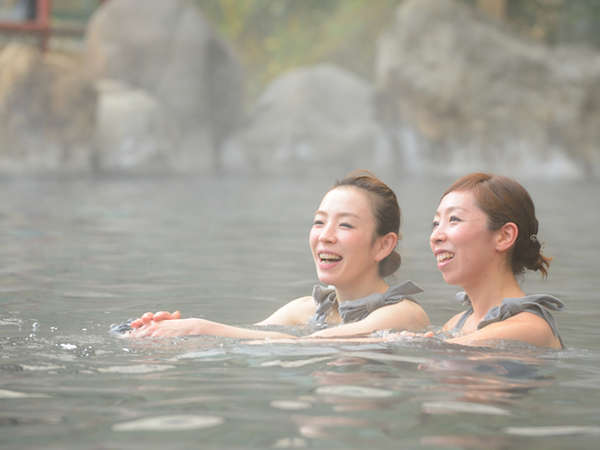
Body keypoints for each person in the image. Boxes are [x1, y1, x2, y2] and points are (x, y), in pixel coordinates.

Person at [122, 171, 430, 339]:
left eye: (345, 224)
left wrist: (201, 326)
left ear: (383, 245)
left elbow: (311, 347)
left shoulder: (404, 314)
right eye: (319, 221)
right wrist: (171, 332)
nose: (325, 235)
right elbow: (245, 338)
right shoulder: (306, 310)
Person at [429, 172, 564, 349]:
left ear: (504, 236)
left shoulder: (530, 327)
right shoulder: (455, 324)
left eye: (454, 219)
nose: (435, 236)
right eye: (436, 223)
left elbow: (439, 351)